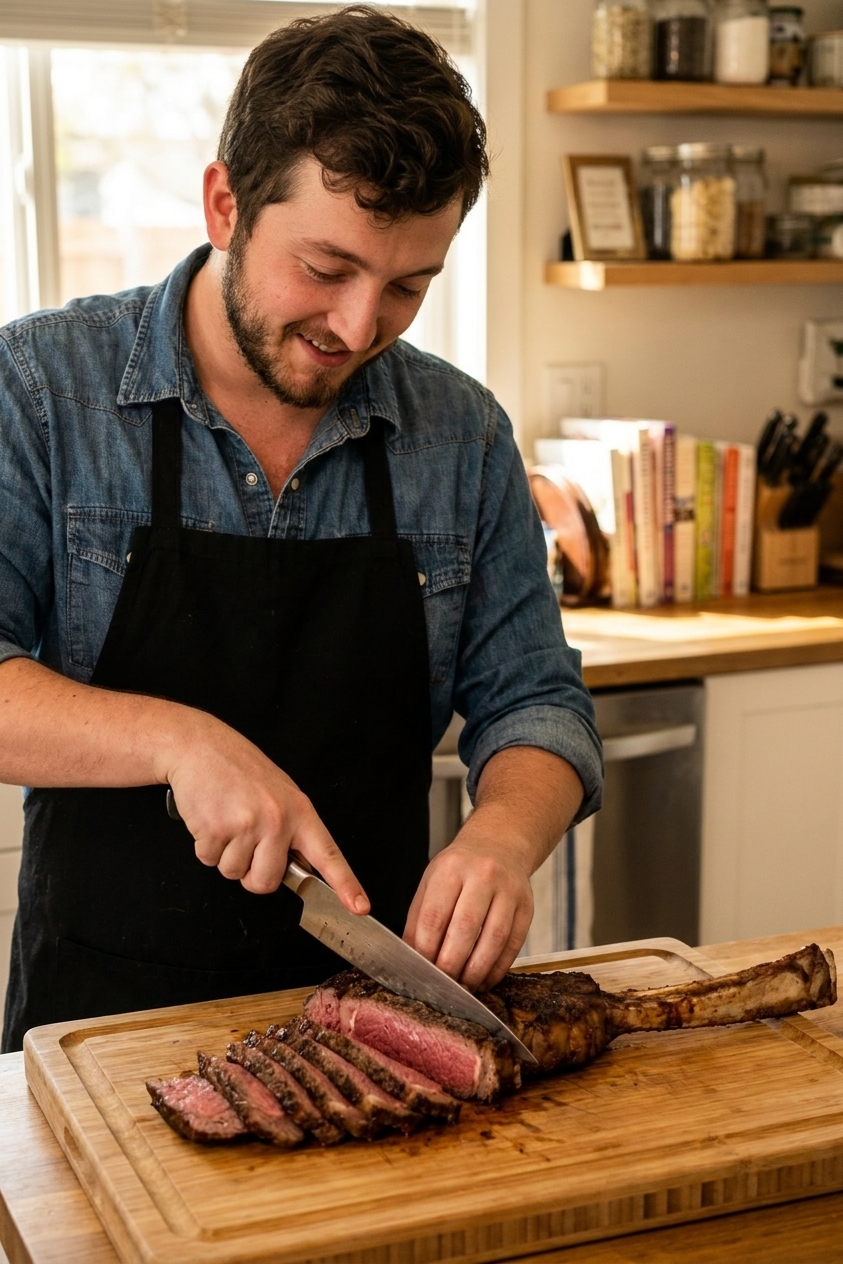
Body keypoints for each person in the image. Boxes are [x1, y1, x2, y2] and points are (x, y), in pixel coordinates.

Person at [0, 5, 602, 1054]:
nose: (357, 327)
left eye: (408, 285)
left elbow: (539, 700)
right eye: (326, 270)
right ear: (225, 203)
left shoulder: (459, 435)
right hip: (97, 1025)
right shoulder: (42, 391)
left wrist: (504, 837)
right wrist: (178, 741)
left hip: (374, 1029)